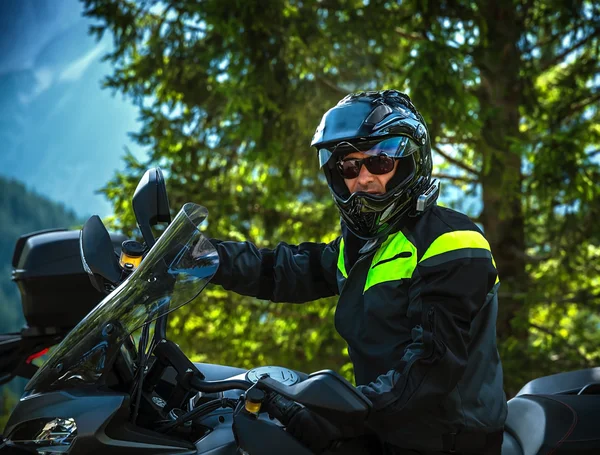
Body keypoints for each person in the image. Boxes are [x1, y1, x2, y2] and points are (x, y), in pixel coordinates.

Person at [209, 89, 507, 454]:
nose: (362, 178)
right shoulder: (360, 249)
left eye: (380, 161)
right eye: (349, 166)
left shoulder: (452, 241)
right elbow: (279, 270)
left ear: (411, 162)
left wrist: (342, 415)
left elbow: (432, 365)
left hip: (450, 442)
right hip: (385, 430)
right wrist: (202, 256)